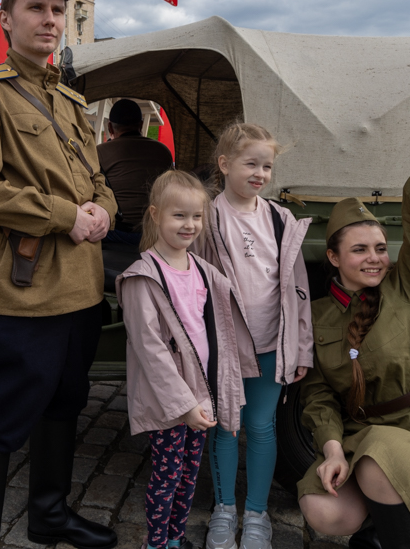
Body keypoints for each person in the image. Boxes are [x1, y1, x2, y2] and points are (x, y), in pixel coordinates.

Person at [0, 0, 119, 549]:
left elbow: (98, 182)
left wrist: (103, 210)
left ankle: (49, 516)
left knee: (64, 403)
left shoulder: (73, 104)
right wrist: (67, 216)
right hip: (23, 291)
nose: (49, 19)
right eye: (36, 8)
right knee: (1, 416)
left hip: (79, 286)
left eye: (57, 10)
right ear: (6, 17)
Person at [297, 79, 410, 549]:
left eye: (380, 247)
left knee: (380, 461)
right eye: (360, 250)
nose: (375, 257)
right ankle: (376, 529)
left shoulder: (408, 286)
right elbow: (318, 396)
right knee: (323, 509)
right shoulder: (316, 317)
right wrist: (332, 446)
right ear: (334, 258)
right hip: (364, 437)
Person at [196, 123, 313, 549]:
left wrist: (301, 346)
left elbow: (297, 288)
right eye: (251, 163)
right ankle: (225, 510)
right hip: (224, 344)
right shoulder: (206, 216)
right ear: (224, 165)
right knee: (225, 427)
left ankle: (258, 514)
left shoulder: (281, 220)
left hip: (270, 343)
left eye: (267, 165)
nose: (260, 173)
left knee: (262, 427)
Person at [117, 171, 246, 549]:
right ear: (155, 214)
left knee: (190, 472)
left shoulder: (202, 271)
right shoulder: (145, 277)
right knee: (167, 474)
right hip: (171, 400)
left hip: (199, 395)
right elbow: (150, 349)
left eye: (196, 216)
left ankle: (176, 538)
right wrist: (185, 405)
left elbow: (218, 341)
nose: (189, 225)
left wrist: (220, 402)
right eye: (179, 216)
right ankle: (156, 542)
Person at [96, 99, 174, 246]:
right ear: (141, 124)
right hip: (155, 231)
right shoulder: (163, 151)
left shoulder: (99, 152)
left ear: (110, 128)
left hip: (116, 232)